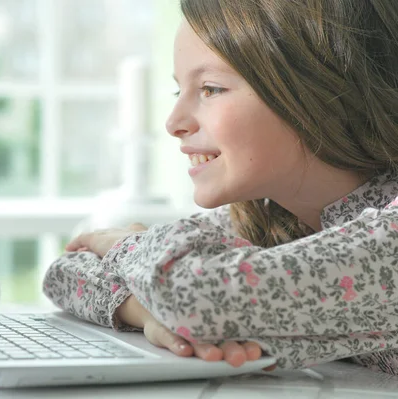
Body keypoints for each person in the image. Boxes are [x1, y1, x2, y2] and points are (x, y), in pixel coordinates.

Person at [43, 0, 398, 374]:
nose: (174, 122)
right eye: (177, 91)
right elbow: (66, 272)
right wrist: (147, 309)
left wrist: (122, 246)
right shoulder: (272, 222)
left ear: (315, 93)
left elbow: (192, 297)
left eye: (210, 89)